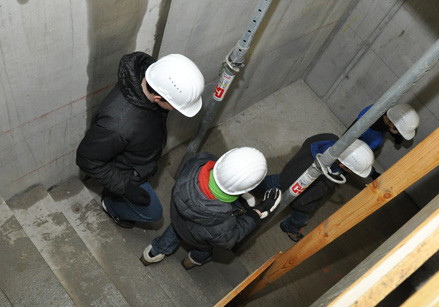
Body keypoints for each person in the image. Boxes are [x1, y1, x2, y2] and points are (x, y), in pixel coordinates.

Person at [76, 52, 205, 228]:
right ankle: (111, 205)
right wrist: (126, 187)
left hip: (139, 157)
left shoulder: (152, 79)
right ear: (158, 98)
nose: (175, 110)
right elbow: (87, 158)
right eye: (175, 105)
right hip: (126, 173)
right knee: (153, 214)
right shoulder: (117, 125)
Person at [140, 147, 282, 270]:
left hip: (178, 218)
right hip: (199, 239)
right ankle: (192, 261)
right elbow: (232, 238)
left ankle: (153, 253)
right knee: (204, 250)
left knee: (175, 230)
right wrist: (256, 213)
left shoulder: (199, 161)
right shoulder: (223, 227)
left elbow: (210, 191)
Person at [250, 134, 374, 242]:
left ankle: (249, 188)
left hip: (289, 172)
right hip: (295, 187)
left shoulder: (329, 138)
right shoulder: (323, 178)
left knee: (269, 182)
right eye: (351, 170)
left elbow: (308, 141)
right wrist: (303, 207)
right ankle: (290, 227)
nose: (352, 173)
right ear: (342, 164)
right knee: (300, 216)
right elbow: (303, 201)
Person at [347, 104, 419, 178]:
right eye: (398, 131)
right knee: (355, 160)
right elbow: (362, 156)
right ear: (391, 124)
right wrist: (372, 173)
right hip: (353, 147)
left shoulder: (383, 110)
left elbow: (386, 126)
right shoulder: (374, 139)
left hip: (358, 137)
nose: (398, 133)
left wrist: (395, 135)